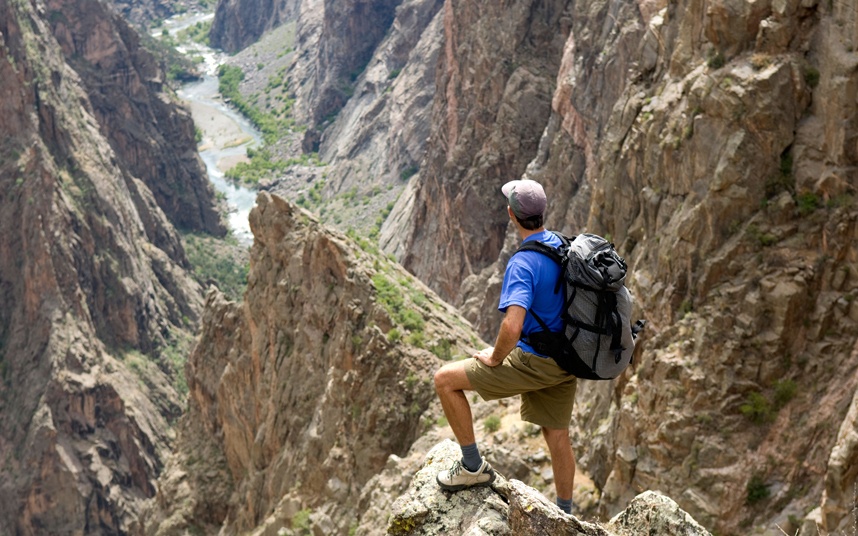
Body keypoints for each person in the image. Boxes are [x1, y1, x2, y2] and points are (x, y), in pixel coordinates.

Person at [434, 178, 578, 515]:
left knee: (444, 379)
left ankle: (472, 467)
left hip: (536, 361)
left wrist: (495, 357)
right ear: (543, 213)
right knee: (557, 435)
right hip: (566, 358)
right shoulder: (561, 244)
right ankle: (565, 514)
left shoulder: (523, 263)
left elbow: (512, 325)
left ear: (511, 215)